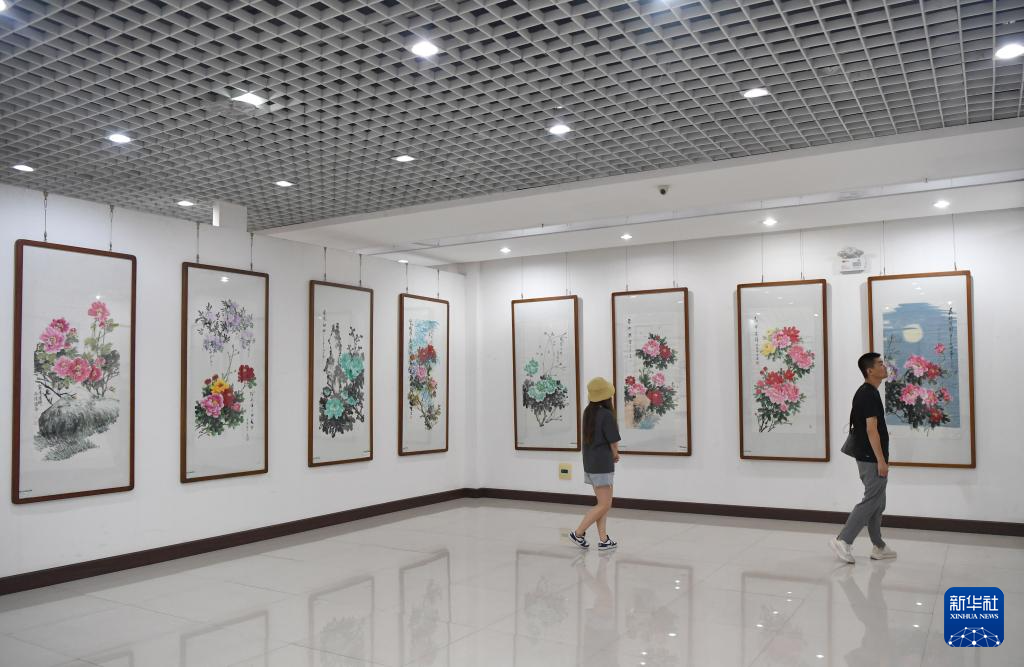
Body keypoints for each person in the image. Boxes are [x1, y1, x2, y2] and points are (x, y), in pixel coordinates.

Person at [831, 352, 898, 564]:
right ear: (870, 370)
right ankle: (843, 540)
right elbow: (871, 430)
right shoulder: (868, 394)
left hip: (869, 456)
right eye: (880, 364)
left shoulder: (868, 392)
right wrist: (881, 460)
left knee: (878, 502)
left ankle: (879, 546)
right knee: (871, 501)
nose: (884, 366)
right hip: (871, 457)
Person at [570, 377, 620, 551]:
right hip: (602, 464)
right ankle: (578, 533)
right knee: (605, 504)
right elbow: (613, 440)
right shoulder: (606, 414)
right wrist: (615, 454)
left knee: (602, 504)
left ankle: (604, 539)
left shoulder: (587, 412)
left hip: (590, 463)